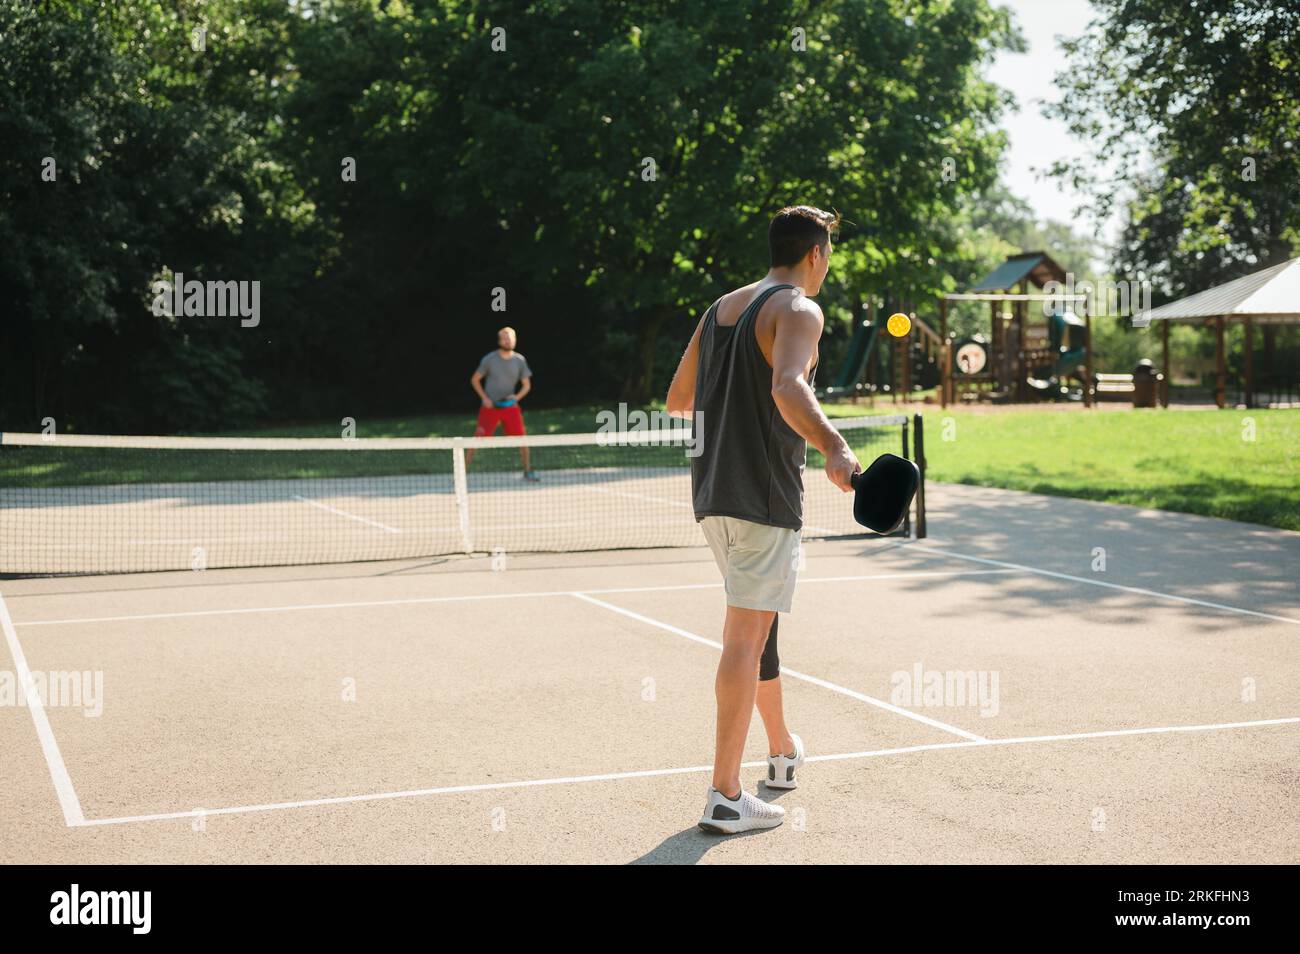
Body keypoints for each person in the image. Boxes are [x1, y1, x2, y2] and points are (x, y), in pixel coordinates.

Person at [665, 206, 860, 834]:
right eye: (828, 255)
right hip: (765, 497)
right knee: (745, 639)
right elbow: (786, 386)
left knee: (758, 633)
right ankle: (725, 794)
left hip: (713, 496)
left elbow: (678, 400)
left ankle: (781, 751)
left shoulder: (720, 308)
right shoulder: (799, 309)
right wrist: (834, 444)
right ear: (815, 255)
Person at [467, 326, 538, 480]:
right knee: (476, 440)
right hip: (490, 407)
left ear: (515, 340)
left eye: (511, 337)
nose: (508, 340)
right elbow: (475, 380)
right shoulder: (489, 359)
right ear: (499, 341)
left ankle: (527, 471)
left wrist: (516, 398)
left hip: (510, 407)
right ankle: (462, 473)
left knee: (523, 440)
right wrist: (485, 399)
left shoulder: (520, 360)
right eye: (505, 338)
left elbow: (527, 385)